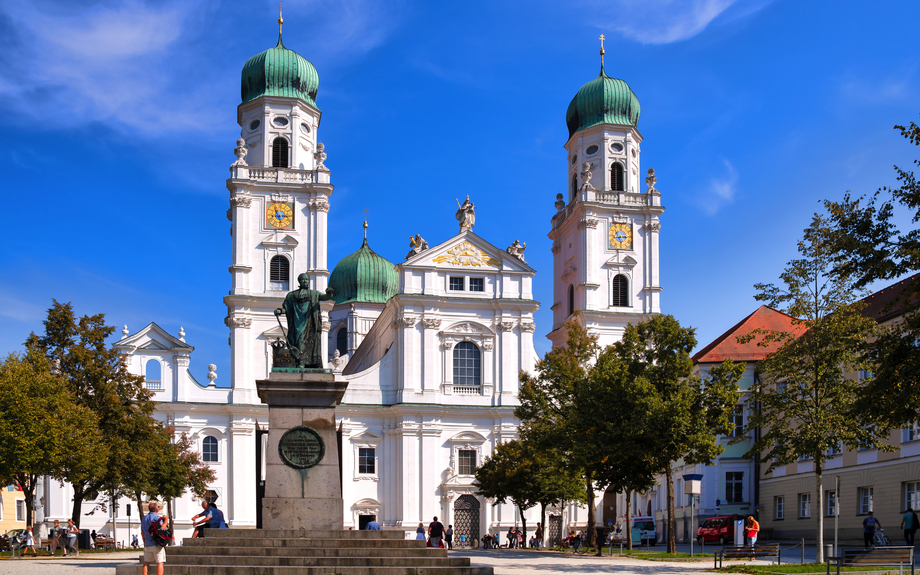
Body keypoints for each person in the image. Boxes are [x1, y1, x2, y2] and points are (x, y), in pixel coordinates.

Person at [141, 501, 169, 575]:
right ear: (157, 509)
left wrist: (144, 543)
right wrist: (166, 519)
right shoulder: (158, 518)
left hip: (147, 544)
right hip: (157, 544)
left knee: (146, 563)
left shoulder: (144, 518)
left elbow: (142, 532)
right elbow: (162, 527)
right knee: (160, 563)